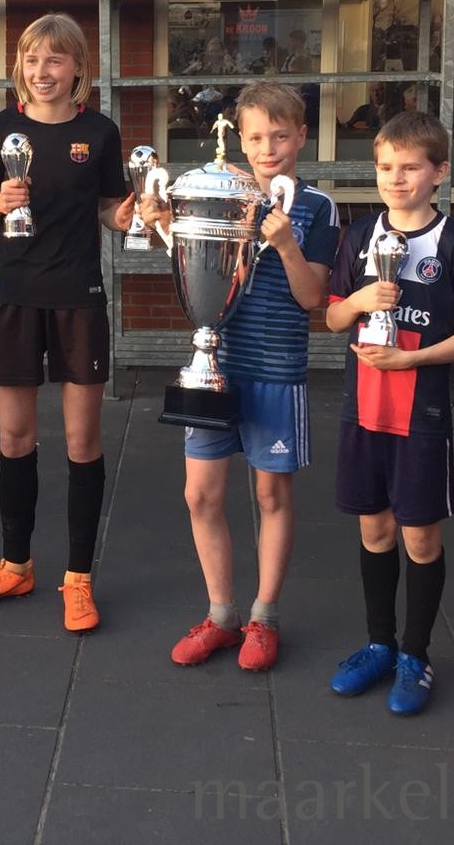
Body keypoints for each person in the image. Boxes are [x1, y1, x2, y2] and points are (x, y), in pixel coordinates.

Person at [0, 13, 135, 632]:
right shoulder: (1, 129)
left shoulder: (99, 132)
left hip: (78, 298)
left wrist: (131, 213)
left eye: (55, 60)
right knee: (14, 439)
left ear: (78, 66)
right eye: (32, 60)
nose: (42, 71)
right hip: (15, 298)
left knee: (82, 442)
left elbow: (109, 209)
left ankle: (78, 579)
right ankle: (16, 565)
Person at [154, 83, 339, 671]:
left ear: (302, 136)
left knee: (270, 494)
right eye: (256, 137)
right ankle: (220, 613)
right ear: (239, 138)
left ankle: (264, 615)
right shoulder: (221, 192)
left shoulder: (318, 207)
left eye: (280, 136)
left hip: (277, 368)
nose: (268, 148)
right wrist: (164, 225)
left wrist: (284, 245)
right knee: (199, 494)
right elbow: (196, 272)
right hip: (217, 365)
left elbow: (313, 298)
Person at [325, 111, 454, 714]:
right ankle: (380, 644)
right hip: (363, 409)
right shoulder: (359, 235)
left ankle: (416, 655)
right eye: (386, 167)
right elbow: (333, 318)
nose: (396, 179)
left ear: (439, 173)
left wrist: (411, 360)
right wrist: (360, 300)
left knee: (419, 537)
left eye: (410, 168)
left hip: (420, 414)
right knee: (374, 530)